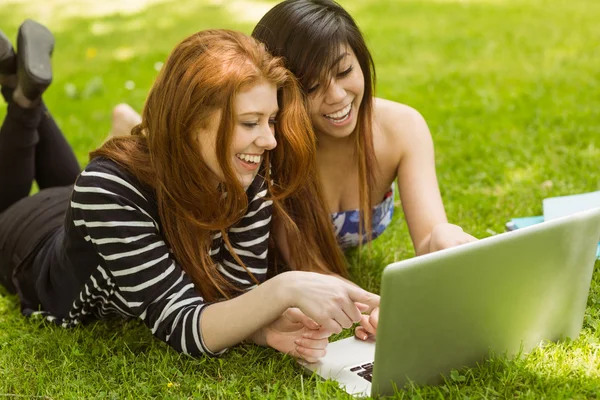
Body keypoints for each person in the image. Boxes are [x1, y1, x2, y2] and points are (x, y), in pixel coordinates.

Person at [0, 21, 379, 362]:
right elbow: (183, 326)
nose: (270, 141)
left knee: (73, 185)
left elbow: (231, 297)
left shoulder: (246, 173)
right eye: (250, 123)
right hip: (29, 239)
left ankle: (25, 93)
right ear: (191, 122)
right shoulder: (106, 190)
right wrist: (285, 288)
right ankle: (24, 99)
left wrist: (263, 328)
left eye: (271, 120)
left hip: (93, 213)